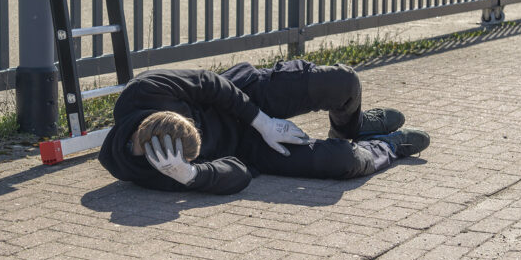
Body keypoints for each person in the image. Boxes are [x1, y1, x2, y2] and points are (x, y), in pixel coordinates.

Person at [99, 60, 430, 195]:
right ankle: (387, 146)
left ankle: (354, 125)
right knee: (342, 163)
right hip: (245, 148)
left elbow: (210, 84)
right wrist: (191, 175)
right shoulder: (159, 170)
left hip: (244, 95)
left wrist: (264, 121)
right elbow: (239, 172)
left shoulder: (143, 91)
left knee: (343, 82)